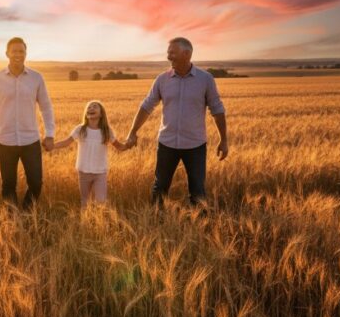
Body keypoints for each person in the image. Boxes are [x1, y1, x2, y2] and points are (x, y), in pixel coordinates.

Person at [124, 37, 228, 208]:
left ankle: (200, 226)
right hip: (167, 144)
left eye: (172, 52)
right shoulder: (162, 79)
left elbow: (217, 110)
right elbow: (146, 106)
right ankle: (157, 223)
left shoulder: (205, 79)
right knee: (160, 187)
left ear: (186, 53)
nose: (168, 56)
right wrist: (132, 131)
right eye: (168, 52)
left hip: (195, 145)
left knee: (198, 190)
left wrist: (224, 140)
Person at [0, 37, 55, 210]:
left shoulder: (36, 78)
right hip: (5, 141)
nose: (18, 54)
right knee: (8, 185)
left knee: (36, 183)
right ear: (7, 54)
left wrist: (50, 134)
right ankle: (13, 220)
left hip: (31, 140)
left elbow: (46, 107)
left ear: (26, 53)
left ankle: (27, 214)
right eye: (14, 51)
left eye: (21, 51)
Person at [52, 100, 128, 209]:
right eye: (89, 107)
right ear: (86, 114)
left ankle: (100, 223)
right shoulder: (81, 129)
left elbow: (120, 146)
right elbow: (66, 142)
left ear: (101, 114)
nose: (91, 108)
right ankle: (86, 224)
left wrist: (129, 144)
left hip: (100, 172)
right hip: (83, 171)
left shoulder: (106, 131)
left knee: (101, 201)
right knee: (85, 202)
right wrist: (52, 146)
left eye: (94, 107)